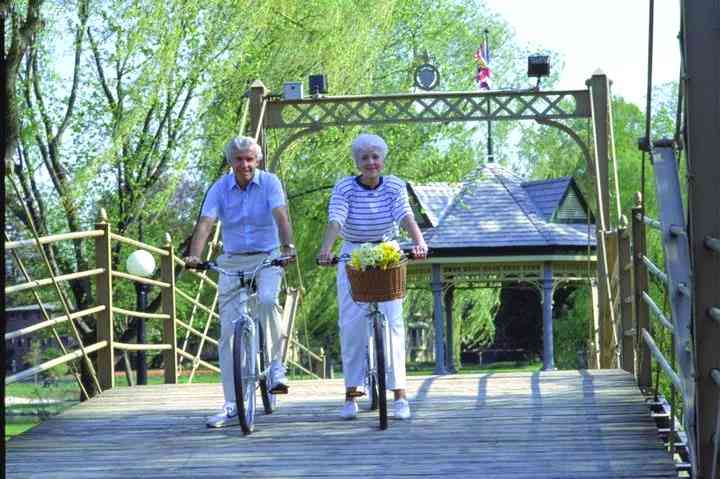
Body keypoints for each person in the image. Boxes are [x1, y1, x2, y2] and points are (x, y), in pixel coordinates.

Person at [185, 136, 296, 428]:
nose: (244, 164)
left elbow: (281, 216)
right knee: (228, 332)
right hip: (233, 259)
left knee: (269, 300)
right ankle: (232, 404)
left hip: (269, 255)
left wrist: (287, 249)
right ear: (231, 162)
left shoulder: (270, 183)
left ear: (257, 161)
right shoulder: (219, 188)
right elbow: (205, 223)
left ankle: (274, 367)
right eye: (239, 160)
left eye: (249, 159)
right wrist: (195, 256)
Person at [317, 133, 428, 421]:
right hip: (353, 251)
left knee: (393, 324)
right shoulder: (344, 187)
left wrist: (419, 242)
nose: (371, 162)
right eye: (364, 158)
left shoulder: (394, 185)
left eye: (375, 157)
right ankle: (352, 395)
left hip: (387, 248)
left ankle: (400, 396)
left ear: (383, 159)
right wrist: (326, 250)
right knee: (351, 324)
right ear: (357, 162)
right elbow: (336, 219)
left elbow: (405, 215)